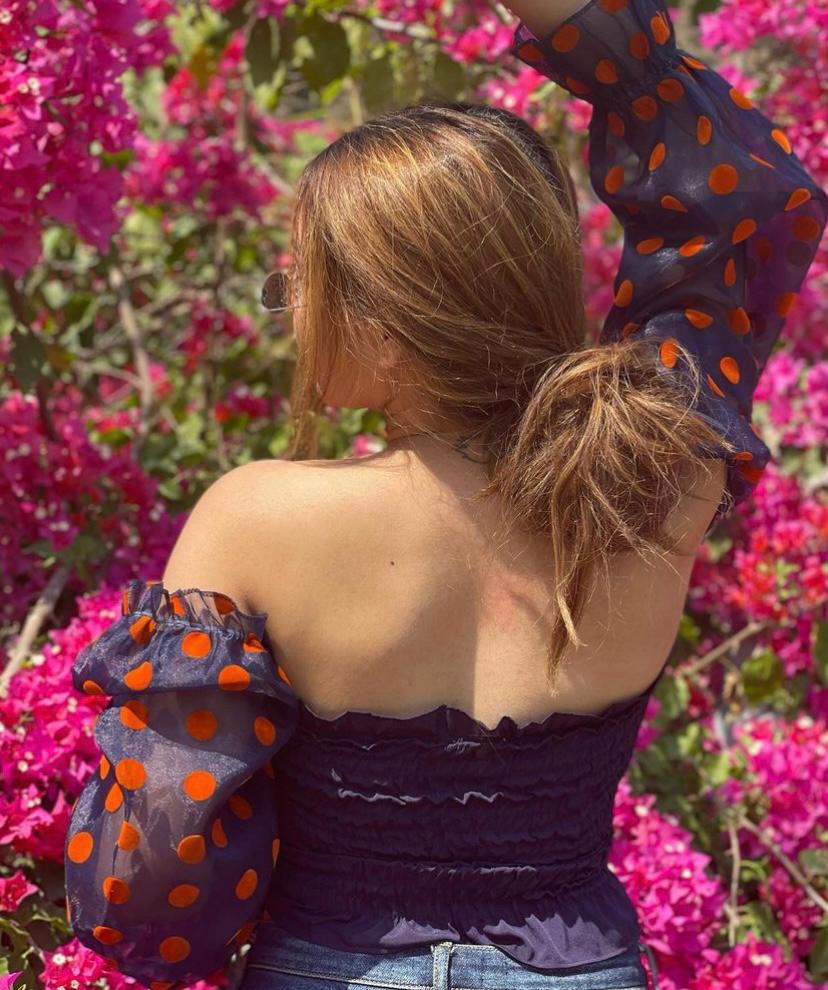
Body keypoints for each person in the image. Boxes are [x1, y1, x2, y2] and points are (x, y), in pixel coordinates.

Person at [63, 0, 827, 987]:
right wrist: (613, 51)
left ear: (388, 322)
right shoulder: (659, 473)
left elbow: (153, 866)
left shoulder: (255, 520)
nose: (291, 312)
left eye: (304, 282)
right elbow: (745, 207)